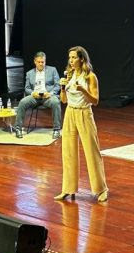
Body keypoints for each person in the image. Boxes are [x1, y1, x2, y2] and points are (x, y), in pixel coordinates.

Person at [55, 45, 108, 203]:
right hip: (70, 113)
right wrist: (62, 88)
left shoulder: (90, 76)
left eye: (74, 57)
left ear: (82, 59)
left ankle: (101, 189)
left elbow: (96, 101)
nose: (71, 60)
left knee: (92, 152)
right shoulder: (69, 74)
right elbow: (63, 101)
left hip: (84, 113)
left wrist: (82, 90)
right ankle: (68, 189)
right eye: (69, 57)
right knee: (68, 152)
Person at [14, 51, 61, 139]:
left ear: (45, 61)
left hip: (48, 97)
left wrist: (50, 93)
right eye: (39, 62)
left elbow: (58, 84)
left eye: (43, 62)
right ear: (35, 61)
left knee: (55, 102)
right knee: (22, 102)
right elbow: (27, 88)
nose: (41, 64)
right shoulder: (29, 73)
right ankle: (18, 128)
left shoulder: (52, 70)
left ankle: (56, 130)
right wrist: (32, 93)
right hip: (35, 97)